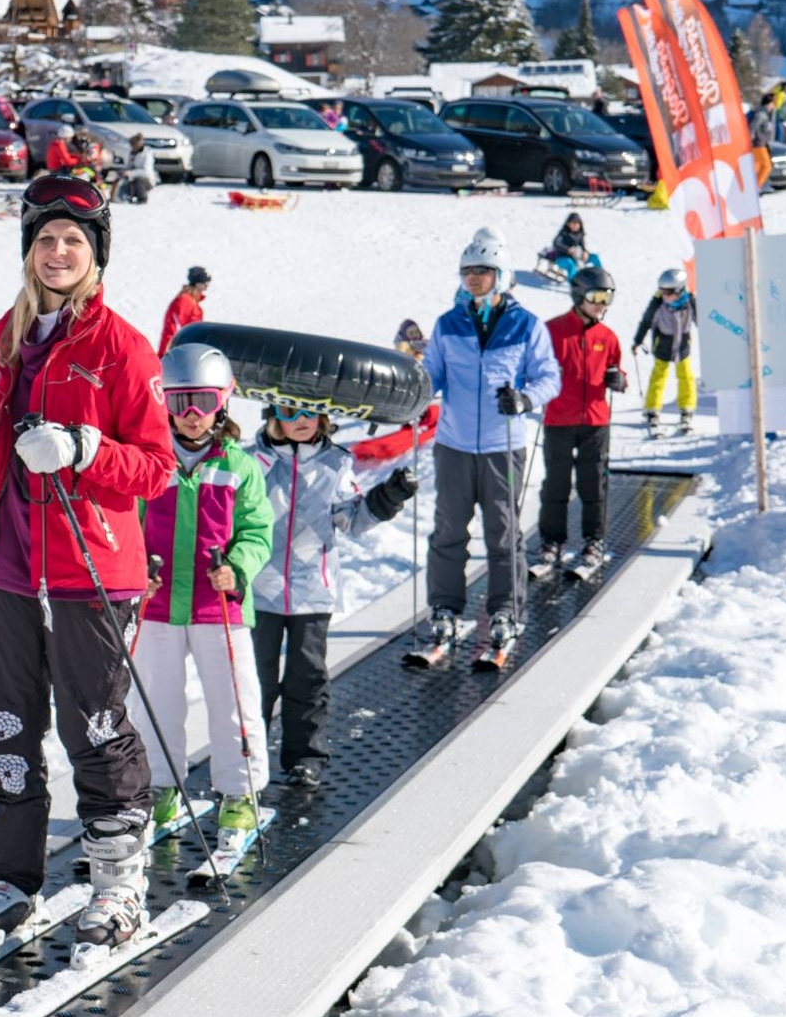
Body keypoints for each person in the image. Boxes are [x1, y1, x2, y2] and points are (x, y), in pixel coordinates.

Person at [0, 174, 174, 954]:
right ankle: (9, 881)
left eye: (74, 240)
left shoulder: (123, 347)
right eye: (46, 239)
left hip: (93, 569)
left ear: (95, 253)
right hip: (9, 565)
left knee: (96, 728)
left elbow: (157, 466)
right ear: (28, 251)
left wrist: (85, 450)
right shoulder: (3, 340)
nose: (59, 251)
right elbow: (4, 446)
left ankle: (117, 882)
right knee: (6, 726)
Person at [131, 343, 273, 851]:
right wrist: (132, 573)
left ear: (225, 402)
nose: (191, 415)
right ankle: (162, 789)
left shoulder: (240, 466)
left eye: (204, 401)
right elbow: (128, 525)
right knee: (154, 702)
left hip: (220, 606)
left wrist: (237, 568)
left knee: (233, 703)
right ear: (162, 402)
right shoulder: (149, 462)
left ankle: (240, 795)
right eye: (179, 401)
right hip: (159, 604)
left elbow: (257, 530)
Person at [250, 401, 417, 786]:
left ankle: (304, 756)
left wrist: (389, 495)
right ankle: (248, 755)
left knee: (307, 676)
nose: (301, 422)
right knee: (255, 678)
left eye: (308, 414)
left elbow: (353, 519)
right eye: (290, 414)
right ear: (273, 417)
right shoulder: (253, 461)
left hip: (312, 590)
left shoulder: (335, 464)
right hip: (259, 588)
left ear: (323, 418)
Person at [421, 230, 561, 653]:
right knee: (448, 530)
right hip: (454, 445)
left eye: (482, 271)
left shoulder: (526, 325)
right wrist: (412, 387)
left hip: (503, 446)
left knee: (503, 533)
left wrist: (524, 399)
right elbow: (432, 376)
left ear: (500, 276)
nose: (473, 278)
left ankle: (506, 609)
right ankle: (445, 608)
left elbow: (549, 377)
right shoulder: (448, 323)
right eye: (467, 272)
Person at [537, 266, 628, 574]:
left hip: (595, 421)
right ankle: (552, 540)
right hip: (559, 419)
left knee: (594, 484)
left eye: (608, 297)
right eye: (597, 296)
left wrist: (618, 379)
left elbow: (617, 370)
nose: (603, 304)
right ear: (578, 295)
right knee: (556, 485)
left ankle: (594, 540)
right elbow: (533, 369)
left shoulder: (608, 337)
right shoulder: (552, 331)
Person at [633, 267, 699, 435]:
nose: (664, 296)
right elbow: (646, 322)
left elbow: (701, 320)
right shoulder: (657, 303)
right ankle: (652, 409)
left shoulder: (690, 302)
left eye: (668, 292)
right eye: (662, 291)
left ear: (680, 290)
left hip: (682, 344)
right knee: (659, 377)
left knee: (686, 376)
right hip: (662, 343)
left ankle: (687, 409)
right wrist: (637, 340)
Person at [158, 266, 211, 354]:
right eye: (204, 282)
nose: (206, 286)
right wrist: (167, 354)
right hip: (177, 351)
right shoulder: (184, 301)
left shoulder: (192, 300)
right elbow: (174, 328)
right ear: (197, 283)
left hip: (187, 348)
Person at [547, 212, 592, 278]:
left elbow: (582, 245)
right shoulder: (563, 233)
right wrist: (567, 249)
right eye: (573, 223)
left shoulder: (580, 233)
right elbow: (556, 243)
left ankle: (599, 277)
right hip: (561, 257)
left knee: (594, 258)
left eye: (577, 223)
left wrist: (585, 251)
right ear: (568, 224)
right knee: (571, 265)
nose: (575, 225)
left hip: (574, 257)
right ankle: (574, 285)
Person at [118, 133, 157, 204]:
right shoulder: (132, 153)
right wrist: (123, 171)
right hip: (133, 179)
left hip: (146, 180)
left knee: (138, 180)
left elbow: (146, 172)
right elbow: (129, 167)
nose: (131, 147)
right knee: (122, 179)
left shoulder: (146, 154)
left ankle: (143, 198)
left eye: (132, 145)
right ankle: (125, 197)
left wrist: (130, 173)